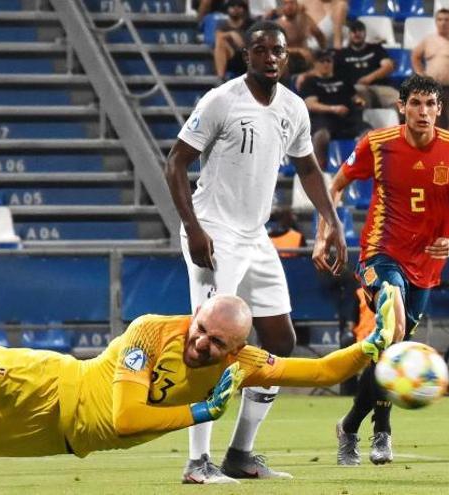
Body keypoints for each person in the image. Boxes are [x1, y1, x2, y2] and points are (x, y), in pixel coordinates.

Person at [165, 20, 347, 484]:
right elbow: (176, 164)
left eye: (278, 51)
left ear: (289, 57)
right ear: (247, 56)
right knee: (208, 344)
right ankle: (196, 462)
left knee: (280, 342)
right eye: (261, 50)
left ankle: (240, 453)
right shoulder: (221, 101)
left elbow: (307, 168)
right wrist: (194, 229)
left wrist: (330, 218)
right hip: (214, 232)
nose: (270, 57)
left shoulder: (293, 108)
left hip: (254, 234)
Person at [0, 295, 393, 458]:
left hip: (51, 440)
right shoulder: (150, 331)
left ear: (236, 350)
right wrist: (204, 411)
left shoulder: (242, 364)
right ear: (196, 314)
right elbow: (125, 419)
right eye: (200, 328)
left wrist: (370, 345)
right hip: (50, 384)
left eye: (217, 343)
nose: (201, 342)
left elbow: (321, 369)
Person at [314, 74, 449, 467]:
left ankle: (350, 425)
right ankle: (383, 433)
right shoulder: (376, 145)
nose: (423, 112)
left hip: (427, 263)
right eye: (416, 104)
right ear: (401, 107)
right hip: (381, 253)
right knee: (393, 330)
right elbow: (334, 186)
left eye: (430, 105)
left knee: (392, 346)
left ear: (440, 109)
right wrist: (324, 233)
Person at [300, 49, 371, 169]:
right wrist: (333, 109)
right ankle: (318, 169)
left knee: (369, 133)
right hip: (324, 119)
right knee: (321, 136)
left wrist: (360, 101)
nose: (326, 64)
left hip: (348, 119)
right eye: (322, 61)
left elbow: (354, 97)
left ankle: (364, 167)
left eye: (328, 61)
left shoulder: (343, 79)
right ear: (315, 64)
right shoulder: (310, 82)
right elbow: (311, 104)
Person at [335, 20, 399, 109]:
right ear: (349, 34)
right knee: (357, 98)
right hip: (356, 89)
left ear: (365, 33)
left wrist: (369, 78)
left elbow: (388, 66)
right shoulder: (342, 54)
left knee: (401, 102)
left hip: (380, 87)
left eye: (360, 30)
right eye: (353, 31)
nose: (357, 33)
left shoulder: (376, 48)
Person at [269, 0, 326, 74]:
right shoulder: (277, 25)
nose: (289, 6)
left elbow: (319, 35)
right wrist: (298, 51)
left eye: (292, 3)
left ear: (297, 4)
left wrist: (323, 52)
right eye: (286, 4)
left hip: (307, 59)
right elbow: (275, 48)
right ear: (281, 7)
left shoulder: (305, 19)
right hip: (287, 62)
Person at [212, 0, 253, 80]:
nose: (236, 8)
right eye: (232, 6)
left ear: (244, 9)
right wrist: (231, 34)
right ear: (227, 8)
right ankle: (221, 79)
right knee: (220, 41)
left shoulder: (250, 24)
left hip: (246, 57)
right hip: (230, 56)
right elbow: (217, 36)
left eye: (239, 6)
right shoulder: (222, 24)